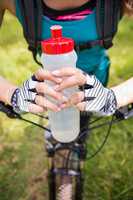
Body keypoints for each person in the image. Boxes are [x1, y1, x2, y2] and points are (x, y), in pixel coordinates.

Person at [0, 0, 132, 116]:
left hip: (98, 79)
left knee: (82, 121)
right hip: (55, 91)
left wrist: (115, 96)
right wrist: (11, 94)